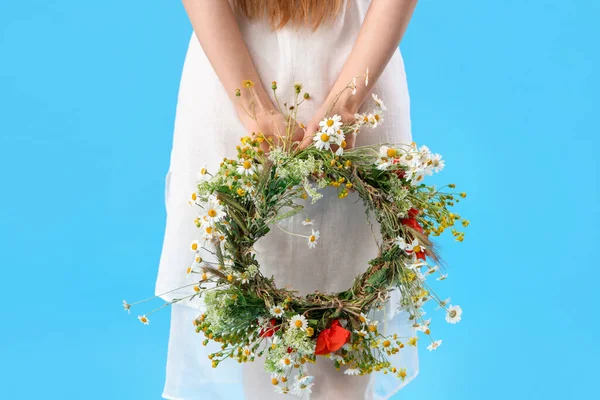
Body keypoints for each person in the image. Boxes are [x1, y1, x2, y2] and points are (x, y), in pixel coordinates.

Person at [155, 1, 419, 399]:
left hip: (353, 65)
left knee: (349, 311)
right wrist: (256, 110)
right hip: (240, 64)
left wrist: (345, 104)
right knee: (257, 311)